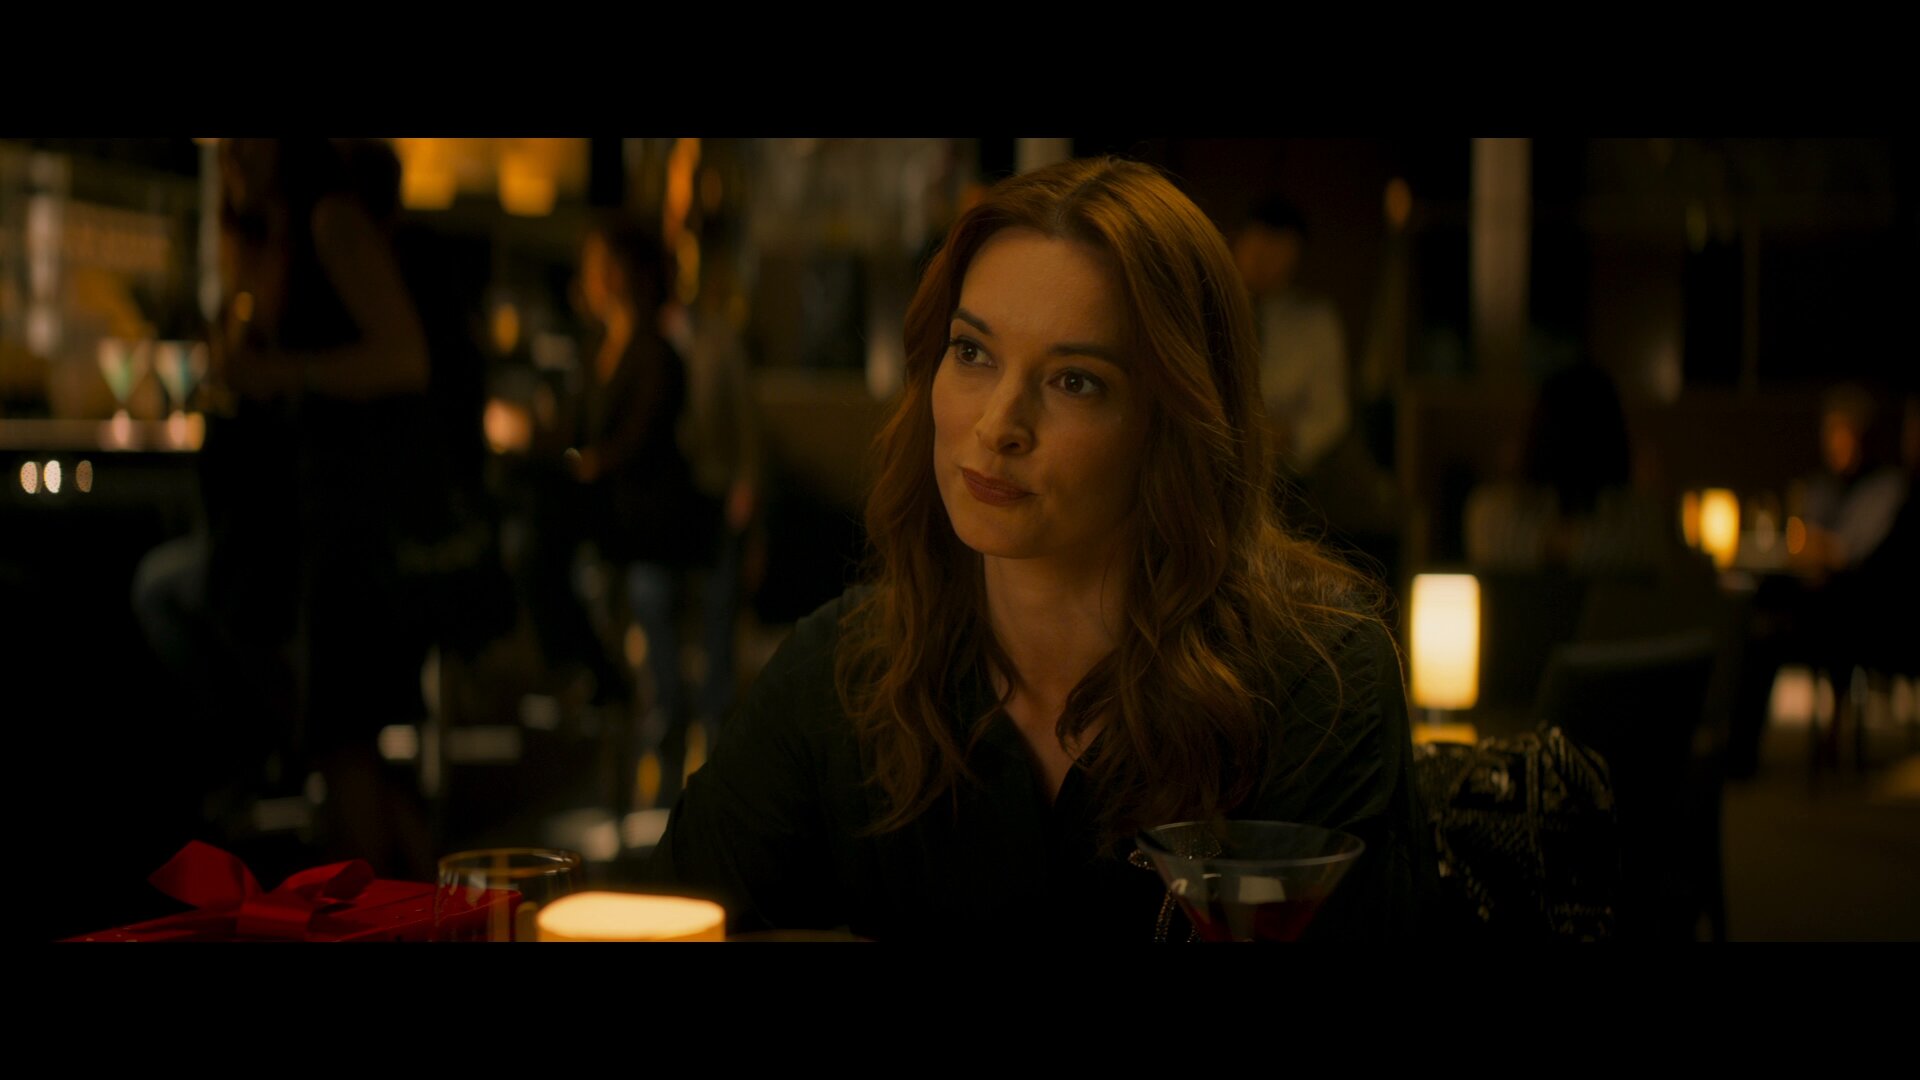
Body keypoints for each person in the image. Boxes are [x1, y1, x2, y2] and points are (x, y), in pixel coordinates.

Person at [653, 158, 1432, 941]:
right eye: (972, 352)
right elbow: (660, 916)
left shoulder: (1318, 683)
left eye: (1074, 381)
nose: (998, 425)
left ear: (1176, 423)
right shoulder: (842, 674)